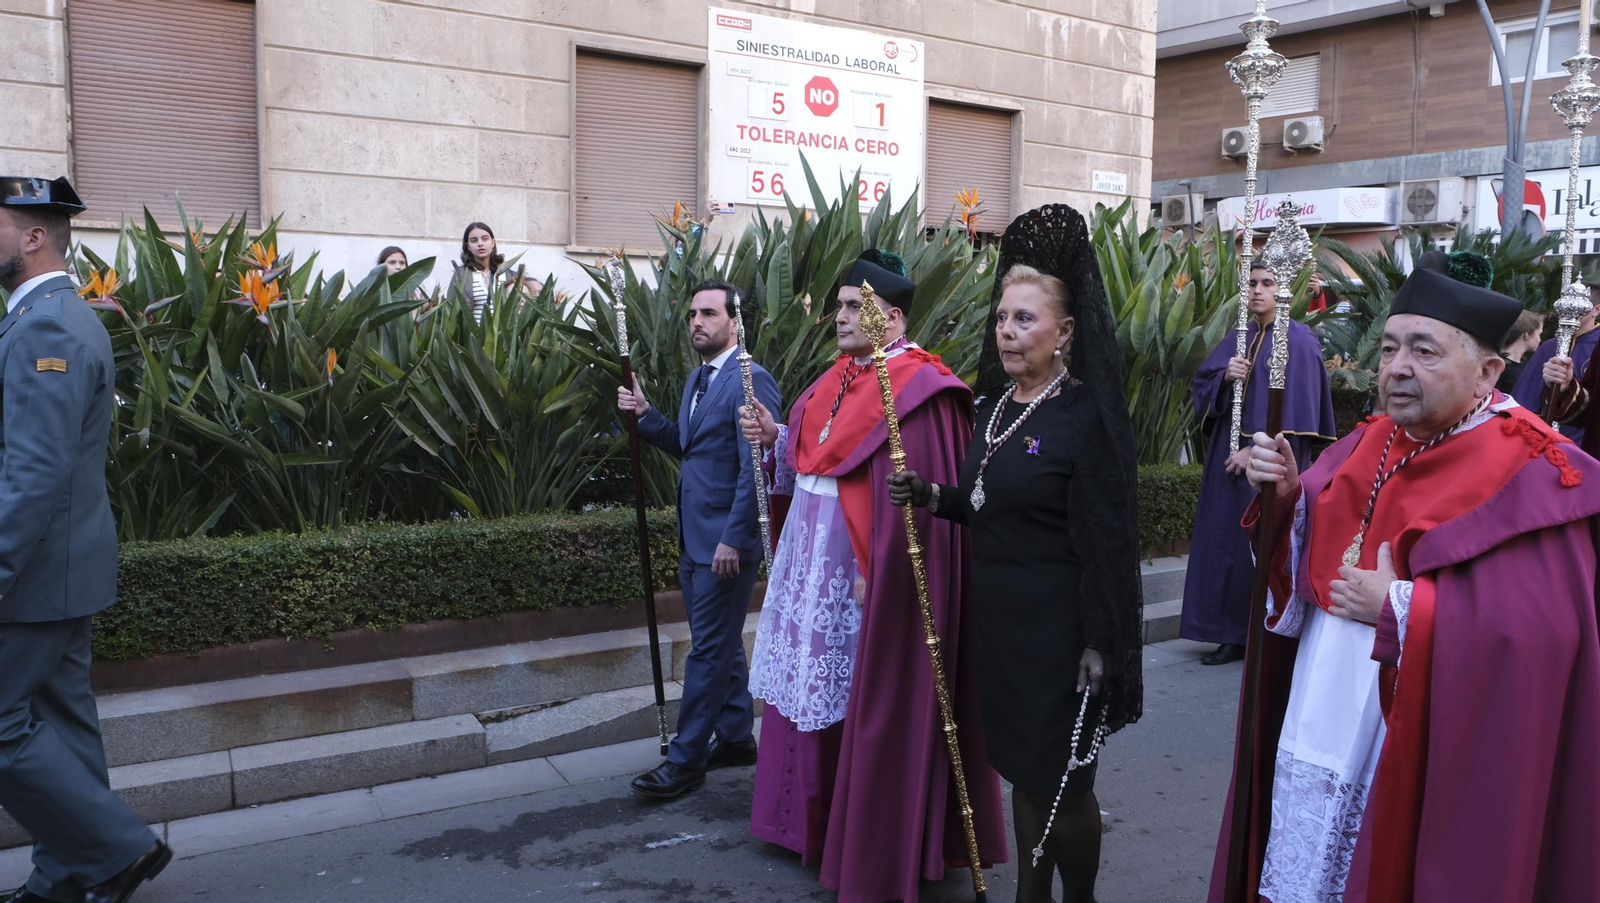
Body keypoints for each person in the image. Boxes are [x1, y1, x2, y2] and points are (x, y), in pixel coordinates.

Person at [1208, 252, 1600, 902]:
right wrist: (1283, 500)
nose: (1396, 367)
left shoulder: (1534, 465)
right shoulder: (1371, 438)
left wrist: (1401, 606)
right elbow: (1303, 543)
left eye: (1423, 350)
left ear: (1488, 372)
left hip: (1424, 739)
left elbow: (1544, 635)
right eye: (1390, 347)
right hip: (1319, 715)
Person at [886, 205, 1144, 903]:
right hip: (1001, 627)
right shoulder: (994, 406)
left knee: (1063, 780)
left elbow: (1110, 540)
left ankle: (1077, 897)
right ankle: (1032, 893)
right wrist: (933, 494)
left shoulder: (1085, 416)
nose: (1006, 330)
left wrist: (1102, 641)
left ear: (1065, 331)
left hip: (1062, 633)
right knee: (1024, 774)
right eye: (1002, 317)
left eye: (1024, 319)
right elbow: (986, 503)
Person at [740, 250, 1007, 902]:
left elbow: (918, 498)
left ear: (890, 315)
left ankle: (863, 835)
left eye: (854, 307)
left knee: (867, 700)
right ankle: (802, 821)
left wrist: (881, 565)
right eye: (838, 307)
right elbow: (812, 460)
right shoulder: (834, 378)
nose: (841, 317)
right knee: (808, 688)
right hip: (812, 570)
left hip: (863, 578)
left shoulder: (922, 388)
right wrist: (776, 434)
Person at [0, 176, 171, 903]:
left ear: (33, 237)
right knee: (64, 721)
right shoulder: (65, 315)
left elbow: (32, 472)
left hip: (37, 573)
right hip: (65, 568)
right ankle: (67, 877)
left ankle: (118, 848)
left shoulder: (44, 326)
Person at [616, 279, 781, 799]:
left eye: (708, 313)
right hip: (694, 537)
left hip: (725, 545)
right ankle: (734, 737)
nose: (697, 322)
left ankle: (685, 760)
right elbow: (690, 448)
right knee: (722, 641)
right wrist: (647, 416)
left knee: (707, 649)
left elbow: (756, 466)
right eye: (692, 314)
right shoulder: (697, 380)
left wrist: (735, 538)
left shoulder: (753, 382)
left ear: (735, 321)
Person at [1181, 261, 1335, 666]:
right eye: (1251, 283)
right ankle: (1225, 631)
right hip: (1225, 462)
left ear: (1285, 289)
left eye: (1267, 283)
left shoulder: (1299, 341)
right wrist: (1224, 378)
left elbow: (1300, 412)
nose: (1257, 290)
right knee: (1223, 545)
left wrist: (1258, 451)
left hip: (1269, 465)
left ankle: (1258, 631)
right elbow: (1201, 388)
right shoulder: (1237, 336)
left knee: (1259, 546)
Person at [1511, 277, 1600, 441]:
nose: (1571, 308)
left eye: (1580, 303)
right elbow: (1526, 398)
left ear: (1596, 310)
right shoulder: (1550, 346)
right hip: (1545, 438)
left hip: (1587, 441)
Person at [1496, 309, 1544, 395]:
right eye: (1539, 334)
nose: (1540, 339)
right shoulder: (1500, 365)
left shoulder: (1528, 364)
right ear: (1527, 334)